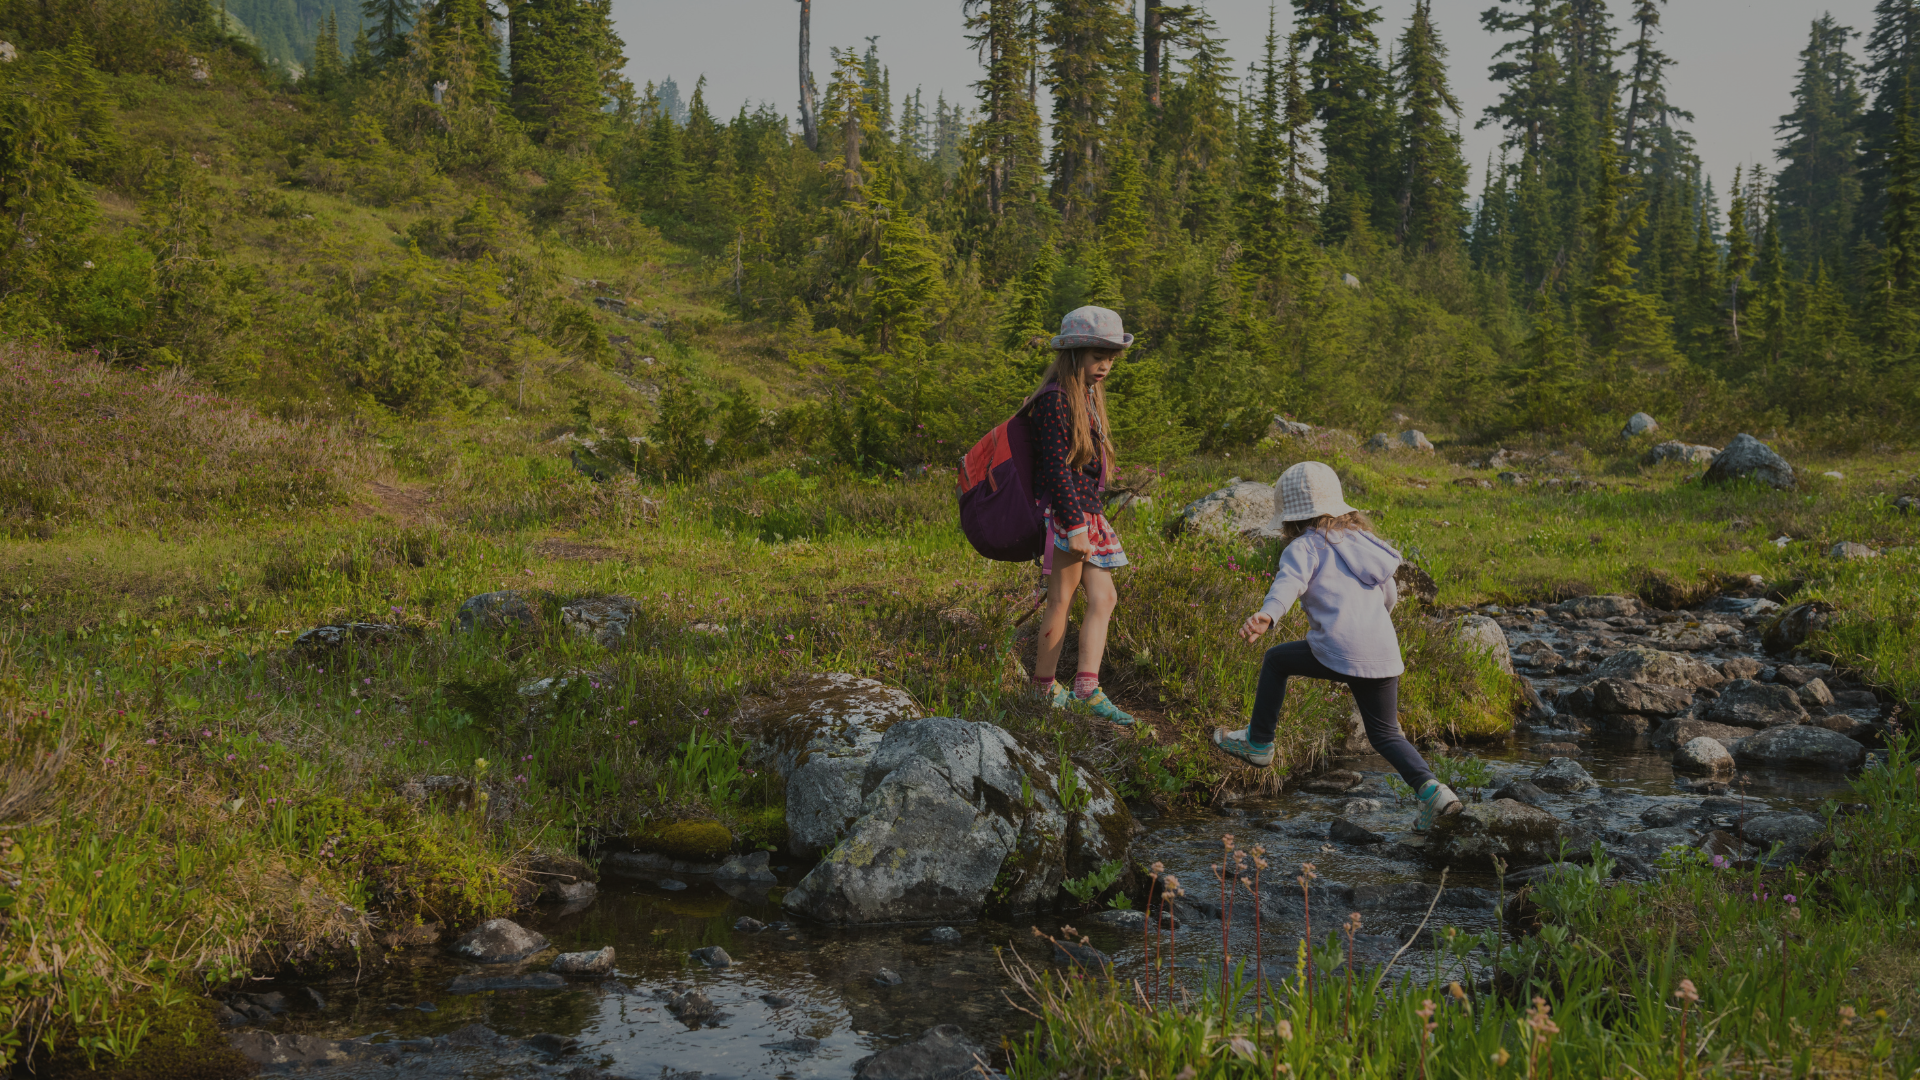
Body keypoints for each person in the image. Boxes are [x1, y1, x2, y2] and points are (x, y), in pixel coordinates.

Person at [1212, 461, 1463, 831]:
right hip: (1382, 649)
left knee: (1277, 660)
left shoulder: (1304, 547)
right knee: (1386, 734)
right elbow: (1389, 593)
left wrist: (1268, 615)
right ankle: (1436, 794)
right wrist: (1371, 625)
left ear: (1291, 518)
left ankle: (1259, 744)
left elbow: (1289, 583)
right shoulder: (1365, 543)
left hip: (1340, 647)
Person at [1027, 306, 1133, 726]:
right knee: (1060, 600)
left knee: (1104, 597)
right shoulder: (1055, 399)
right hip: (1070, 515)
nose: (1105, 364)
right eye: (1096, 355)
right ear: (1074, 355)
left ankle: (1086, 689)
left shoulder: (1086, 396)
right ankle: (1042, 688)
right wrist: (1074, 526)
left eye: (1110, 357)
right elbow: (1055, 467)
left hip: (1087, 513)